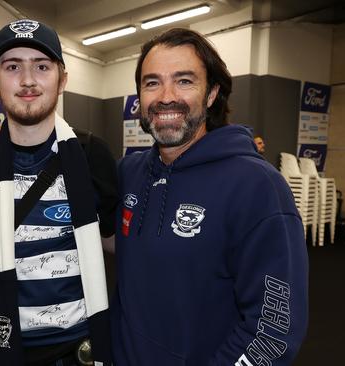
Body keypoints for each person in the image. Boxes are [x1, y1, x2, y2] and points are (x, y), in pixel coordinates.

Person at [111, 28, 308, 365]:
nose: (166, 96)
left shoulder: (257, 186)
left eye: (184, 81)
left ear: (213, 93)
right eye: (152, 82)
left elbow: (274, 329)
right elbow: (107, 235)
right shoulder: (129, 172)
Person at [0, 19, 117, 366]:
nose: (27, 80)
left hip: (73, 350)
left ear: (62, 79)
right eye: (12, 67)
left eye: (41, 66)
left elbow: (111, 240)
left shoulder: (91, 156)